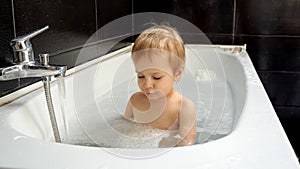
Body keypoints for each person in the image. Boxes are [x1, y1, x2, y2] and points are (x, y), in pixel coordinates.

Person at [123, 25, 196, 147]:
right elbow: (123, 129)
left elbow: (188, 143)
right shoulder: (134, 101)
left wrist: (171, 144)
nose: (147, 84)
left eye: (156, 77)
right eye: (141, 76)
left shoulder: (184, 107)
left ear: (177, 73)